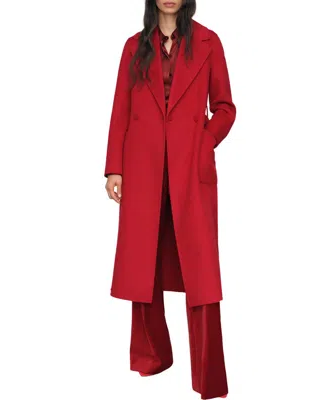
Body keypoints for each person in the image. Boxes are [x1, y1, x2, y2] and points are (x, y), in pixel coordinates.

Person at [104, 1, 236, 398]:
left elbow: (225, 108)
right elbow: (121, 110)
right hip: (143, 168)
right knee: (142, 265)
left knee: (202, 275)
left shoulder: (209, 42)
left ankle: (208, 378)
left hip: (189, 169)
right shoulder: (133, 47)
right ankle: (152, 358)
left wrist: (204, 141)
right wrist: (114, 168)